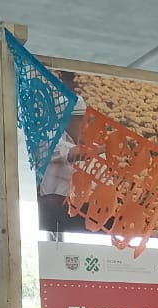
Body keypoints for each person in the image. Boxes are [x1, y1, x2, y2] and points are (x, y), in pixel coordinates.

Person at [38, 95, 89, 235]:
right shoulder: (49, 141)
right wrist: (105, 148)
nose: (84, 125)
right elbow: (72, 153)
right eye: (79, 120)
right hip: (55, 208)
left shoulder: (84, 142)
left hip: (79, 210)